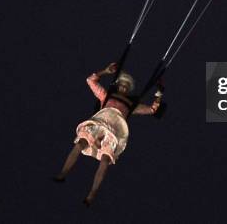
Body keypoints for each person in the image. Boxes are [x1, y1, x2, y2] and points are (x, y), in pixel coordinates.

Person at [54, 62, 163, 206]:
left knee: (105, 160)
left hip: (115, 131)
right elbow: (90, 80)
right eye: (122, 84)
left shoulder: (131, 105)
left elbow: (152, 109)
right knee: (81, 143)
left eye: (126, 86)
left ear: (128, 89)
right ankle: (63, 173)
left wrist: (159, 93)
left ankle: (92, 193)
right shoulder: (106, 96)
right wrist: (105, 71)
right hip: (100, 123)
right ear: (118, 85)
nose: (123, 87)